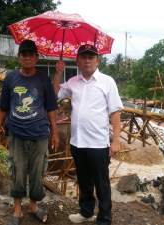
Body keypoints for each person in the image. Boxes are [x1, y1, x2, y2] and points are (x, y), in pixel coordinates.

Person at [53, 44, 123, 225]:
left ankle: (104, 219)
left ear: (97, 60)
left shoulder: (107, 82)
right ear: (77, 61)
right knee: (84, 181)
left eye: (91, 57)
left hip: (98, 144)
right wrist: (58, 73)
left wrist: (116, 140)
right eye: (83, 57)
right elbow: (55, 95)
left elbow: (115, 113)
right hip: (77, 142)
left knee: (102, 184)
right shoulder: (73, 82)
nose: (87, 60)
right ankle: (86, 212)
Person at [0, 39, 59, 225]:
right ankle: (17, 210)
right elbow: (3, 107)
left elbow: (52, 108)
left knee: (38, 172)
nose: (28, 57)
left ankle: (33, 206)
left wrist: (54, 132)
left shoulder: (44, 79)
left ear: (36, 58)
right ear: (19, 57)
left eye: (31, 54)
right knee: (17, 171)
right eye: (24, 54)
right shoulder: (11, 78)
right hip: (17, 135)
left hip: (39, 135)